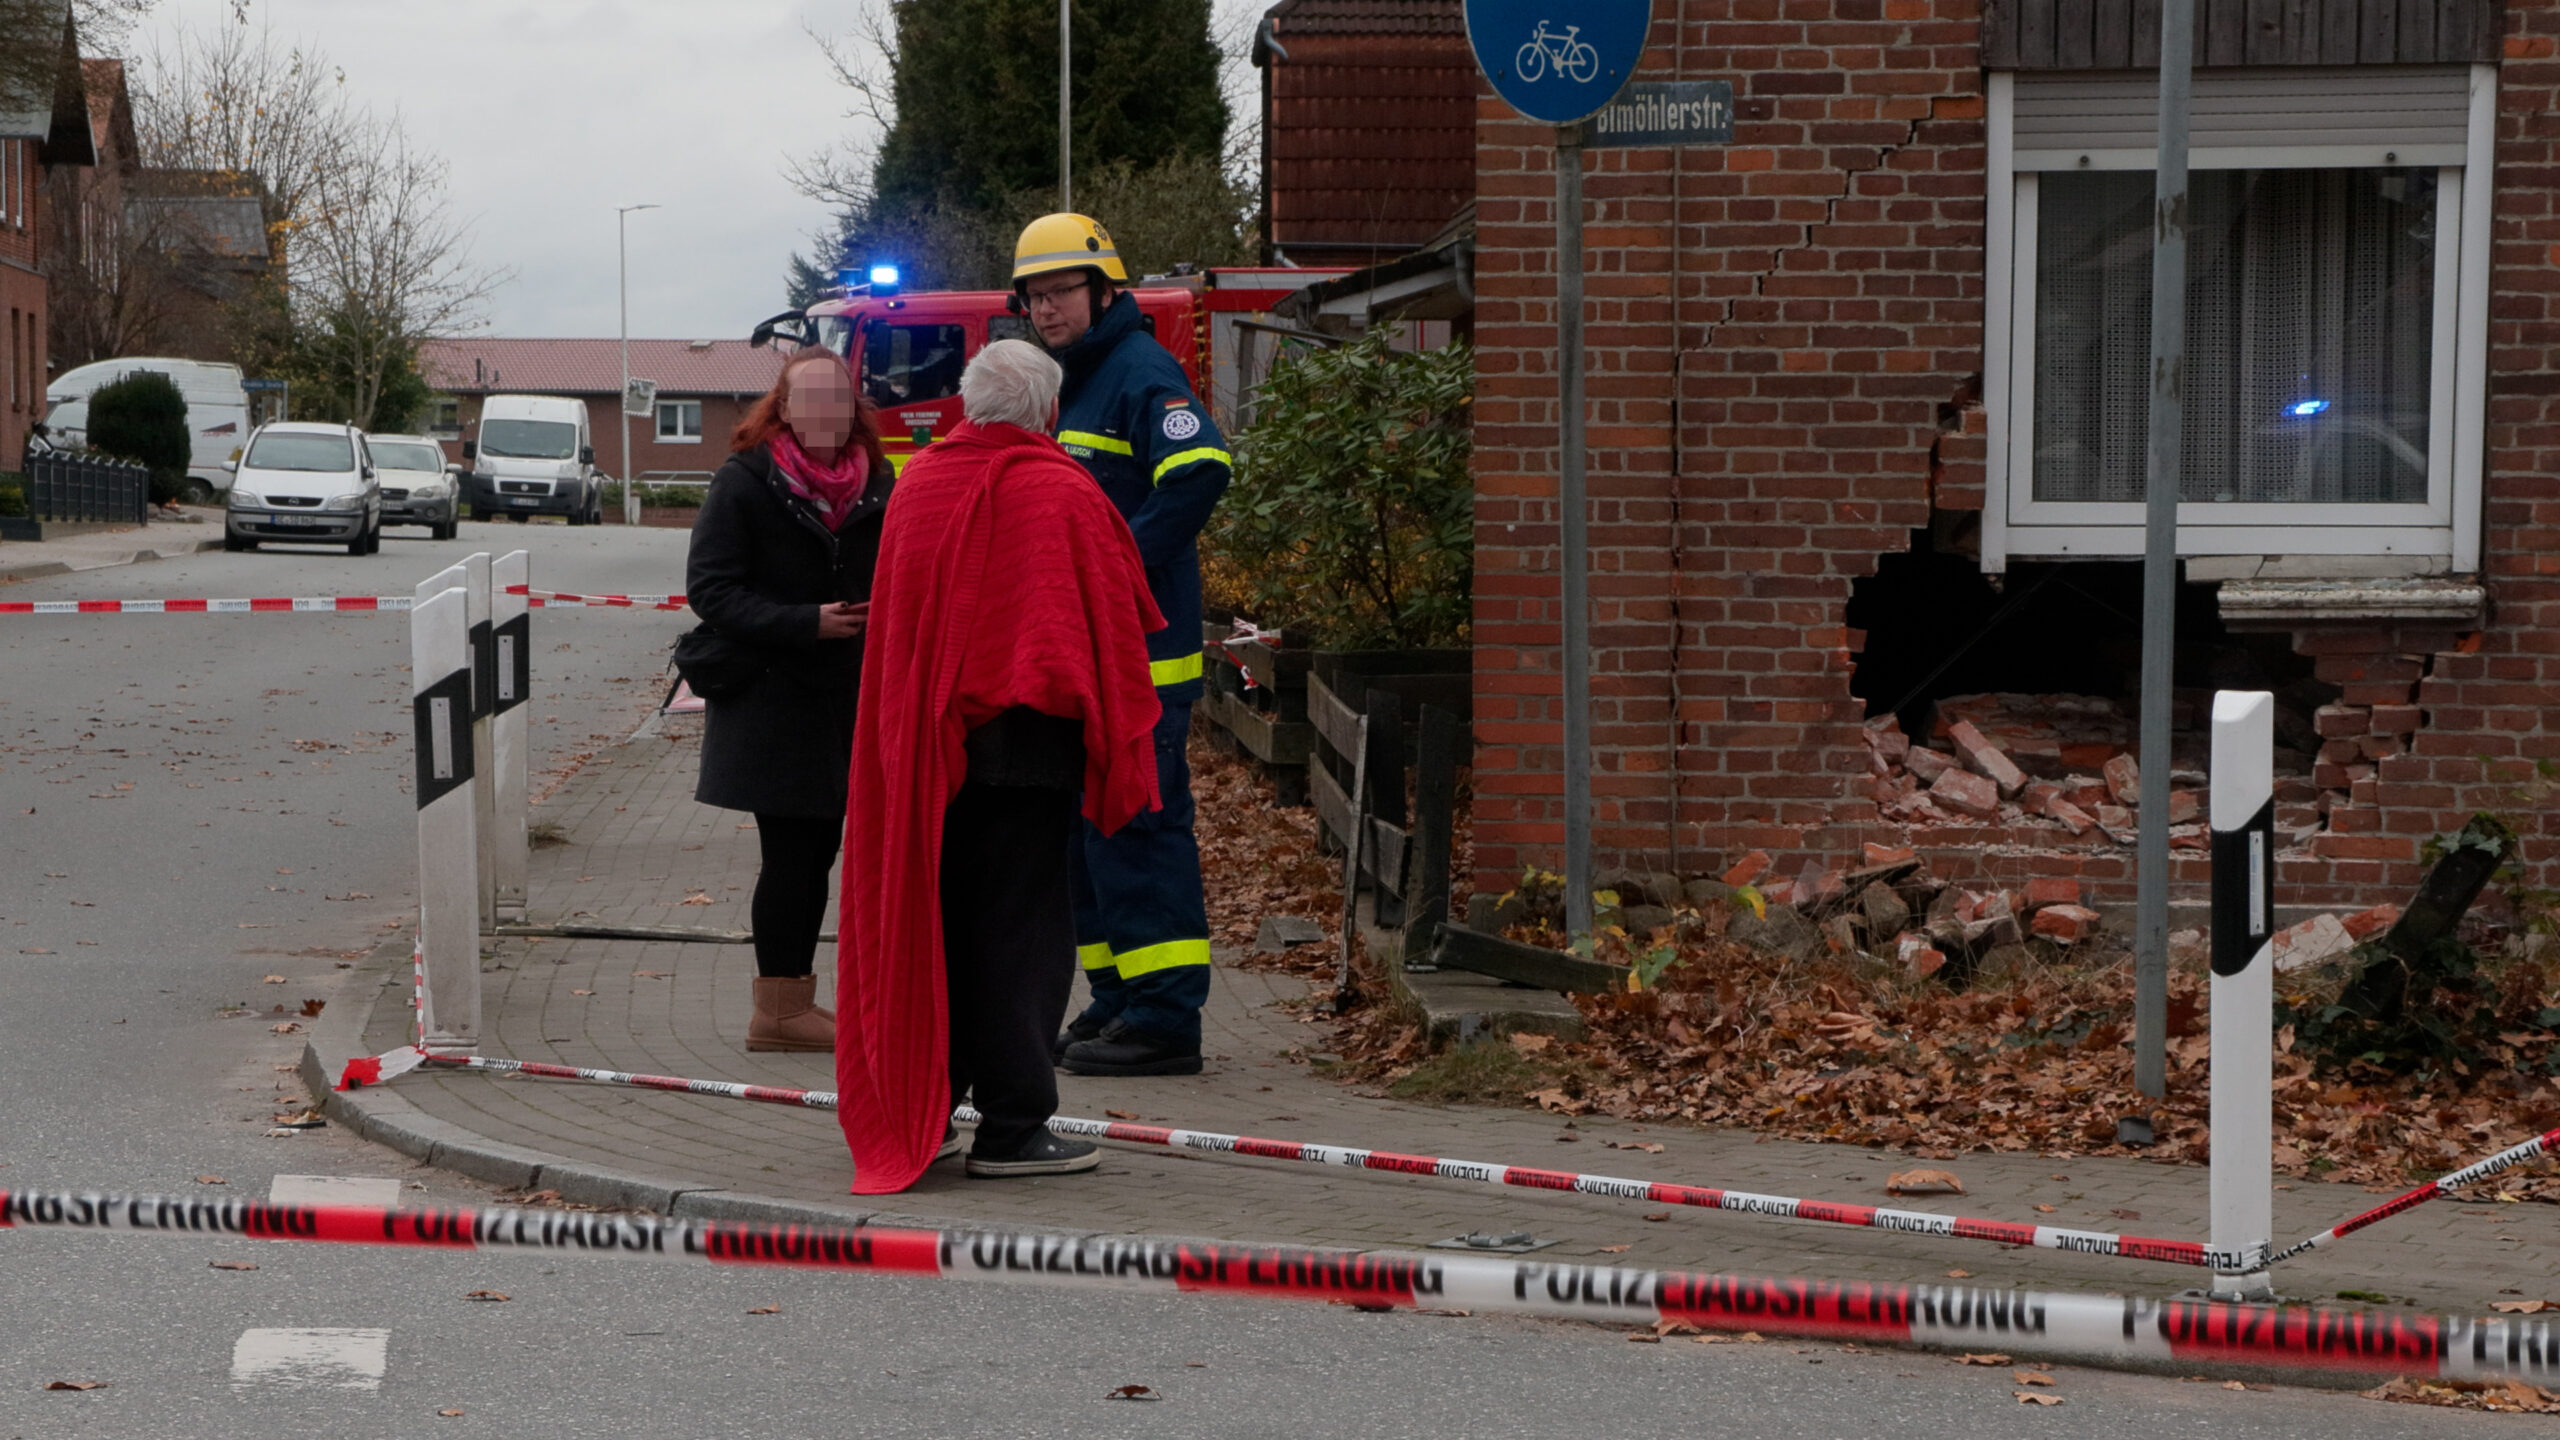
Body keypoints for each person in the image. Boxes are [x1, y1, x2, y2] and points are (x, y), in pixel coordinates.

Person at [835, 339, 1166, 1193]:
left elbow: (901, 628)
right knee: (1019, 938)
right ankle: (1015, 1127)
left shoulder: (918, 487)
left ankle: (930, 1107)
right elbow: (1108, 620)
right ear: (1047, 412)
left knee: (934, 922)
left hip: (926, 748)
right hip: (1025, 749)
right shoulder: (1065, 490)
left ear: (967, 406)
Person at [1011, 212, 1231, 1079]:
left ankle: (1168, 1018)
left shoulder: (1141, 370)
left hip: (1144, 662)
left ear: (1104, 291)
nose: (1046, 308)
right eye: (1033, 295)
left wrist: (1115, 570)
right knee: (1090, 837)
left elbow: (1199, 471)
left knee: (1140, 831)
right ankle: (1120, 998)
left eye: (1061, 290)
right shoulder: (1072, 380)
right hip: (1092, 662)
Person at [684, 348, 892, 1052]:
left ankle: (796, 1005)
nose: (826, 413)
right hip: (774, 701)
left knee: (825, 851)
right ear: (784, 408)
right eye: (810, 399)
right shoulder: (744, 482)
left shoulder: (877, 479)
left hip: (851, 699)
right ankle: (779, 1010)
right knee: (796, 855)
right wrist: (807, 622)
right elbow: (711, 591)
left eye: (839, 398)